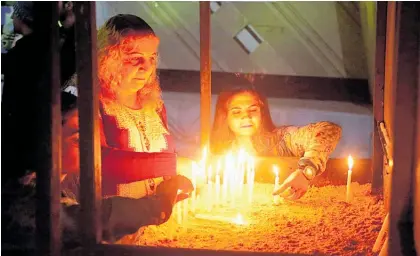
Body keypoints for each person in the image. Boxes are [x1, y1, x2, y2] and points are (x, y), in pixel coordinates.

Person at [2, 91, 194, 250]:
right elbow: (95, 220)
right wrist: (160, 203)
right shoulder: (21, 198)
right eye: (78, 139)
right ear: (44, 140)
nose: (91, 146)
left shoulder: (60, 187)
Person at [210, 87, 342, 200]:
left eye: (253, 110)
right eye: (237, 111)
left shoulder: (283, 139)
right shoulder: (220, 154)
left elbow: (329, 129)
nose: (246, 116)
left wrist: (306, 172)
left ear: (262, 113)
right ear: (225, 116)